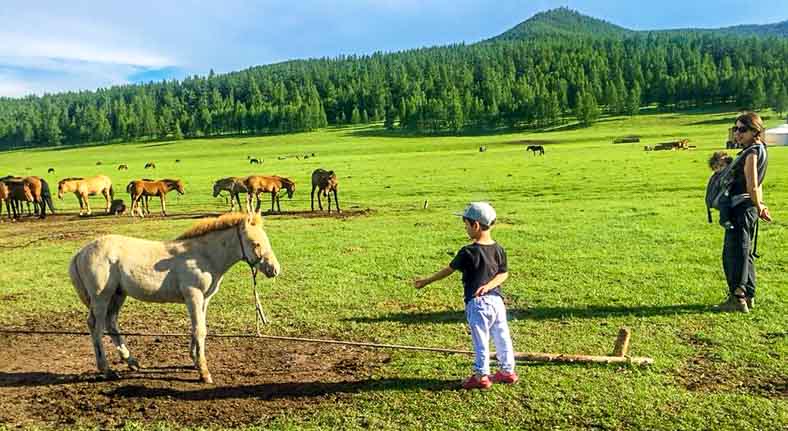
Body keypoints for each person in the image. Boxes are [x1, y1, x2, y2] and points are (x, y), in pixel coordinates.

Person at [413, 202, 517, 389]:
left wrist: (426, 281)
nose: (465, 229)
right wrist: (490, 285)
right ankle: (507, 371)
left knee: (480, 340)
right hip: (497, 302)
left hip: (478, 304)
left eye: (466, 225)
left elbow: (448, 270)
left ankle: (481, 376)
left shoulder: (468, 251)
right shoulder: (498, 249)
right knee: (502, 336)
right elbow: (503, 273)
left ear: (475, 225)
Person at [718, 112, 771, 313]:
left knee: (735, 252)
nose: (737, 133)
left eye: (742, 129)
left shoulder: (751, 153)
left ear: (755, 131)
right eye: (736, 128)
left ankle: (738, 297)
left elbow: (753, 185)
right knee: (745, 251)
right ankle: (748, 296)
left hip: (741, 208)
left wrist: (759, 205)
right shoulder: (761, 149)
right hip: (749, 208)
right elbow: (759, 185)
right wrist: (760, 206)